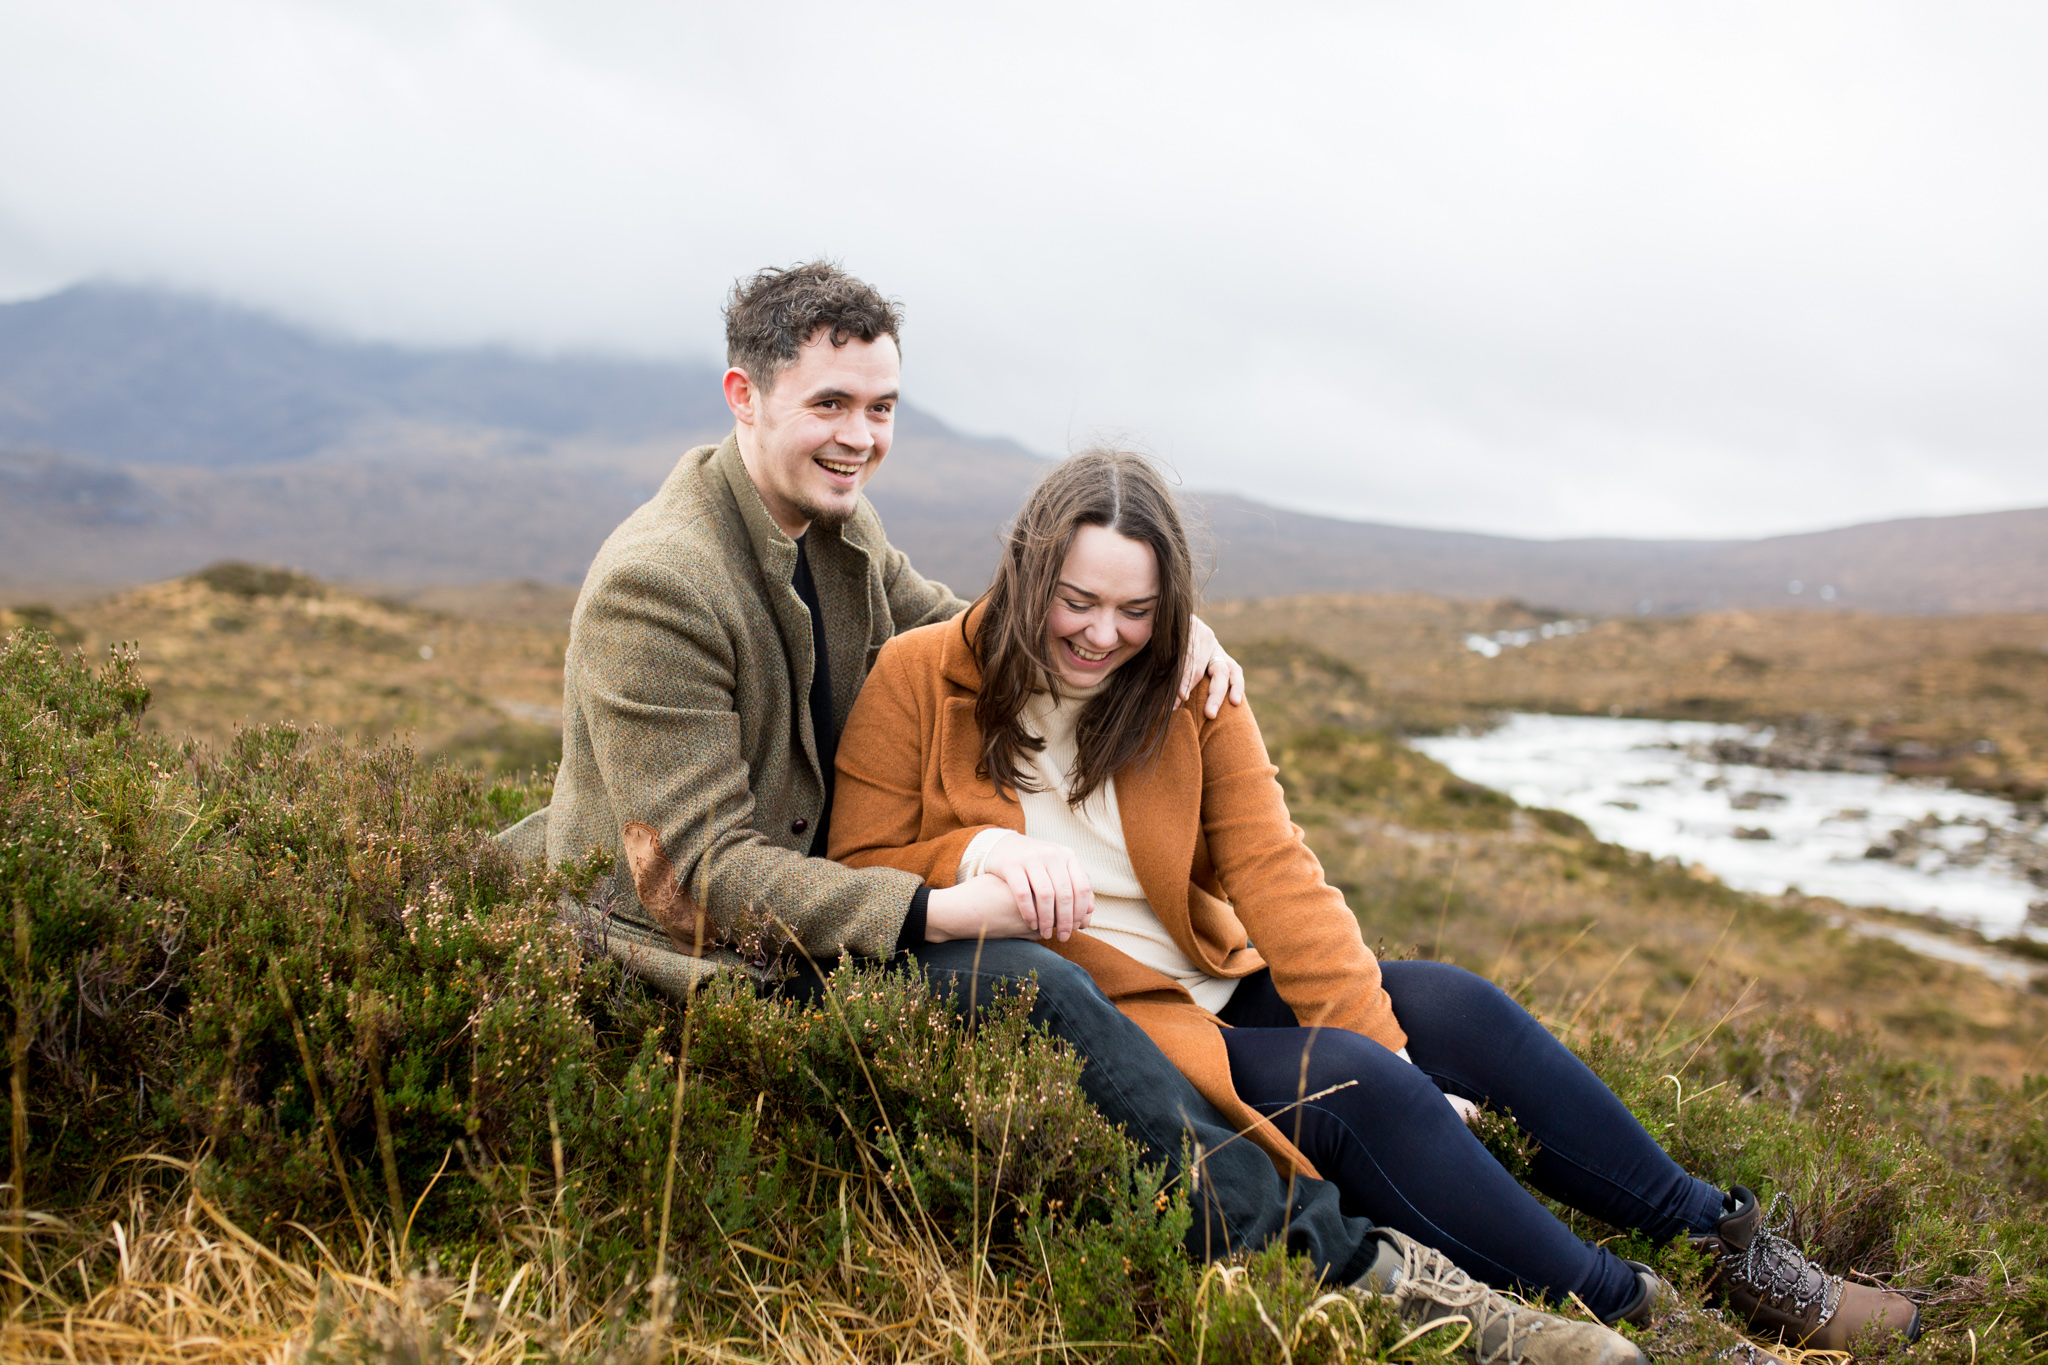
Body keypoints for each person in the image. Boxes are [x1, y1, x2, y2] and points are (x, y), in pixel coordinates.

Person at [509, 264, 1655, 1365]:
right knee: (1030, 976)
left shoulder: (839, 536)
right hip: (695, 953)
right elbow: (693, 876)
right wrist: (938, 904)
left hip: (834, 907)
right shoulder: (660, 581)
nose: (859, 434)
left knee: (1413, 1005)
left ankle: (1703, 1240)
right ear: (742, 397)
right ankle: (1354, 1279)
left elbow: (974, 638)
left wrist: (1146, 629)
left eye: (881, 405)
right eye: (829, 404)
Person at [829, 447, 1924, 1353]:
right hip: (1121, 1019)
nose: (1101, 634)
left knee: (1451, 1009)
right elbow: (861, 862)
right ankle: (1641, 1315)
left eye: (1135, 610)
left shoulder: (1185, 691)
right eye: (1076, 601)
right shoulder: (919, 679)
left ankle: (1727, 1242)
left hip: (1215, 982)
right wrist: (974, 854)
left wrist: (1398, 1045)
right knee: (1363, 1092)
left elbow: (1275, 877)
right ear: (1025, 571)